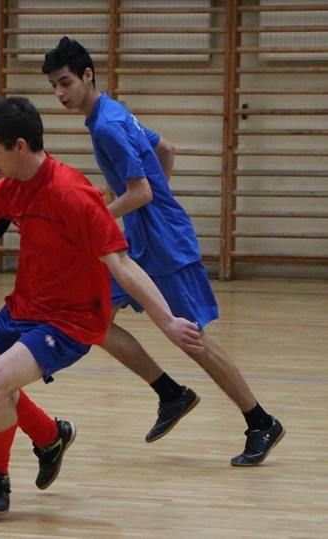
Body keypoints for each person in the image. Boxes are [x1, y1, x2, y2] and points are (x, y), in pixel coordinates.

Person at [0, 97, 204, 515]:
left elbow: (122, 264)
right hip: (24, 307)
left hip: (70, 320)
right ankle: (50, 436)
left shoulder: (73, 194)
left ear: (19, 146)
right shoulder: (7, 191)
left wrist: (167, 321)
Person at [42, 36, 284, 466]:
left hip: (166, 246)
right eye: (54, 86)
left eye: (65, 83)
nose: (60, 94)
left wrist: (102, 218)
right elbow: (165, 148)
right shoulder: (112, 112)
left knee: (192, 339)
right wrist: (145, 200)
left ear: (87, 76)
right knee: (94, 319)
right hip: (143, 241)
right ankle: (171, 393)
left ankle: (261, 421)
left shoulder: (107, 126)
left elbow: (141, 192)